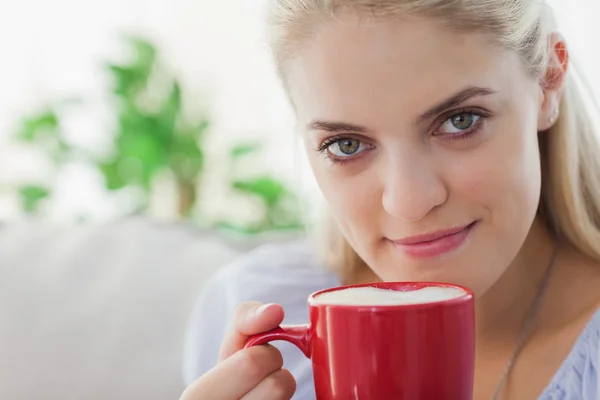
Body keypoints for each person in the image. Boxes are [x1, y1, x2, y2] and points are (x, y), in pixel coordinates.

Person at [181, 0, 600, 399]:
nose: (409, 202)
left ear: (548, 82)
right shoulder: (252, 319)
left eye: (460, 121)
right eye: (345, 145)